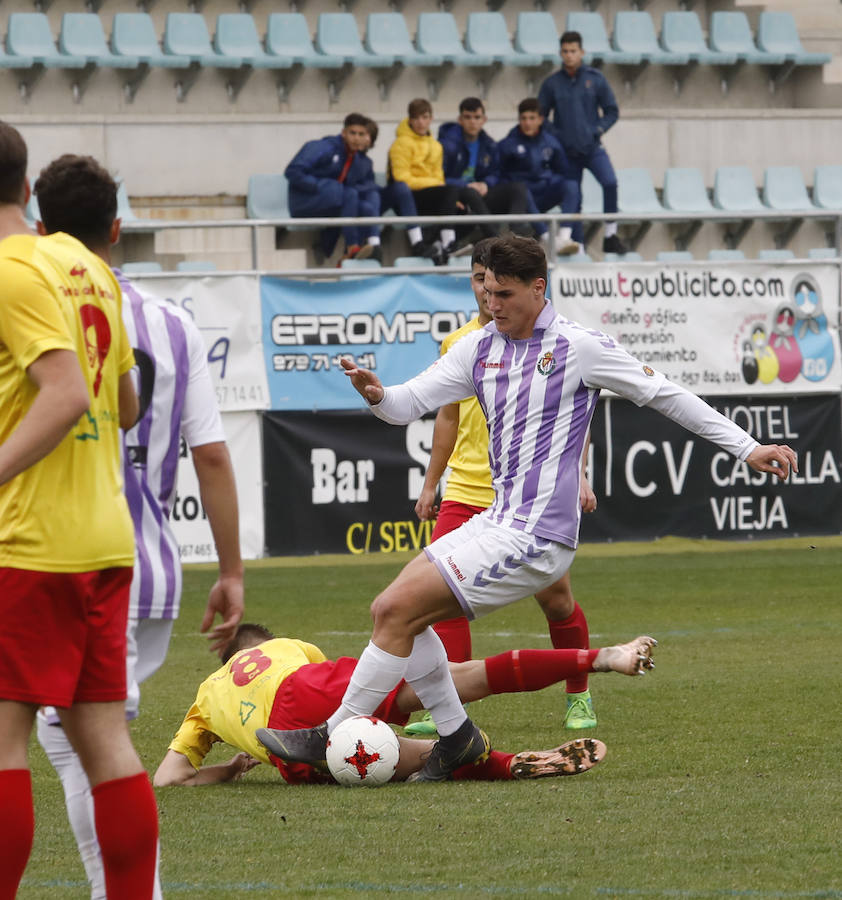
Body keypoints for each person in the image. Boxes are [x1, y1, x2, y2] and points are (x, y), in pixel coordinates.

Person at [257, 234, 798, 785]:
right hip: (497, 521)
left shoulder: (579, 347)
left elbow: (665, 395)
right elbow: (406, 406)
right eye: (487, 291)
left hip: (539, 536)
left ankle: (333, 732)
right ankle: (458, 736)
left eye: (506, 294)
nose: (493, 304)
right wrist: (376, 394)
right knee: (393, 611)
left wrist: (747, 447)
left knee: (397, 610)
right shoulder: (476, 348)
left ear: (539, 289)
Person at [32, 153, 244, 900]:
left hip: (60, 552)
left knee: (73, 740)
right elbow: (211, 457)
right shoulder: (173, 324)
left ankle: (130, 892)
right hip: (148, 561)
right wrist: (232, 570)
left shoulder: (33, 295)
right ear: (117, 229)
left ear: (38, 224)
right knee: (89, 737)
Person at [0, 123, 158, 899]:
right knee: (104, 740)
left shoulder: (10, 270)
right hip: (103, 536)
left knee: (4, 741)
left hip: (29, 541)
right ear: (25, 187)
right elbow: (124, 406)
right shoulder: (91, 272)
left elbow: (65, 396)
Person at [410, 238, 597, 737]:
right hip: (466, 489)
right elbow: (445, 418)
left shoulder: (560, 345)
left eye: (494, 285)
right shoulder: (462, 345)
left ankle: (578, 692)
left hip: (526, 499)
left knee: (556, 602)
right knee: (435, 600)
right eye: (478, 282)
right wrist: (432, 483)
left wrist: (580, 474)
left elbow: (570, 418)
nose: (487, 294)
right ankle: (445, 707)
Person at [155, 623, 656, 787]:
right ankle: (599, 658)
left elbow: (169, 780)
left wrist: (230, 766)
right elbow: (355, 702)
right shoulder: (284, 647)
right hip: (308, 688)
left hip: (291, 760)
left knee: (401, 752)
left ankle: (503, 763)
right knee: (464, 677)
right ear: (257, 645)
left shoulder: (203, 702)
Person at [538, 30, 627, 255]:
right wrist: (557, 136)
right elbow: (540, 116)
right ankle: (578, 248)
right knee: (574, 198)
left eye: (573, 51)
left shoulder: (595, 79)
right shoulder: (552, 84)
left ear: (582, 52)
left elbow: (612, 111)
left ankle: (611, 234)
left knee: (610, 182)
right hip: (567, 152)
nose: (569, 55)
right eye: (565, 51)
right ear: (560, 53)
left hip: (592, 147)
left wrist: (597, 130)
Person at [388, 98, 499, 263]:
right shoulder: (400, 144)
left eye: (424, 117)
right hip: (407, 197)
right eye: (416, 118)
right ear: (410, 119)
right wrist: (437, 185)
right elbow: (403, 178)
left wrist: (449, 197)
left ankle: (444, 244)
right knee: (448, 190)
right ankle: (437, 243)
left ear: (431, 119)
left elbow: (439, 177)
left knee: (462, 205)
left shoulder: (435, 145)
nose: (420, 122)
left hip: (427, 195)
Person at [285, 112, 383, 264]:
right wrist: (320, 186)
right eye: (352, 133)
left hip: (329, 203)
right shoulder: (324, 147)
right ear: (343, 133)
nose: (356, 138)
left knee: (365, 208)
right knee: (349, 194)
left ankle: (346, 256)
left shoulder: (355, 158)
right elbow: (292, 171)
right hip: (303, 203)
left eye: (361, 134)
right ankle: (351, 247)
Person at [438, 98, 533, 243]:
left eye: (477, 117)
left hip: (480, 196)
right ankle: (496, 241)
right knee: (471, 194)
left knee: (518, 188)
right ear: (460, 120)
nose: (473, 122)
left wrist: (486, 184)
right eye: (468, 117)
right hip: (455, 197)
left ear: (484, 120)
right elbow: (438, 177)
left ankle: (517, 236)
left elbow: (495, 173)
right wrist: (465, 185)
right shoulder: (446, 145)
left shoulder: (489, 145)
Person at [498, 98, 582, 257]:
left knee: (571, 185)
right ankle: (548, 239)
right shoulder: (508, 144)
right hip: (520, 200)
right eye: (523, 118)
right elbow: (499, 174)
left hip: (543, 194)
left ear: (540, 120)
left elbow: (563, 169)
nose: (527, 123)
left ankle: (564, 237)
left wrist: (549, 179)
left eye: (532, 118)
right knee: (522, 189)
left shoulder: (550, 142)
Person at [360, 117, 439, 262]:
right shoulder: (341, 157)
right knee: (372, 196)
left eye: (366, 135)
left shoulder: (366, 161)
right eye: (357, 134)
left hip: (371, 206)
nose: (362, 139)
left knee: (399, 188)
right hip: (354, 207)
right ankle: (374, 246)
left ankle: (417, 243)